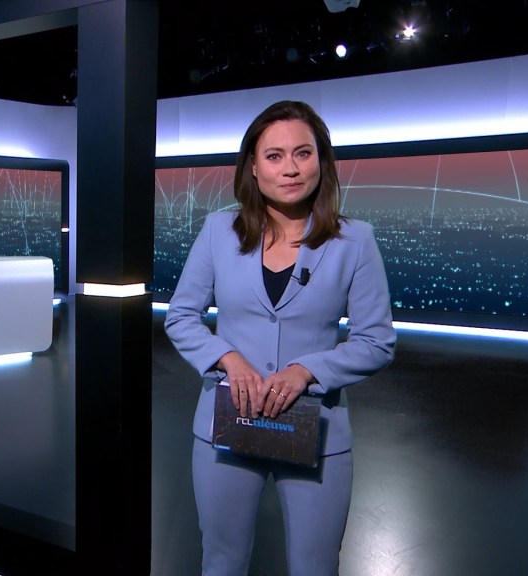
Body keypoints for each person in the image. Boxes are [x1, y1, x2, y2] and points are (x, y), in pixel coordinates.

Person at [164, 100, 396, 576]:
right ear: (252, 166)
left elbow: (376, 340)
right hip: (228, 423)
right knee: (222, 563)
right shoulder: (218, 231)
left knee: (315, 567)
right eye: (274, 156)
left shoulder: (355, 241)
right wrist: (227, 357)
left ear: (321, 161)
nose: (290, 168)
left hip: (315, 429)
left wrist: (307, 370)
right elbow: (181, 316)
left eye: (302, 153)